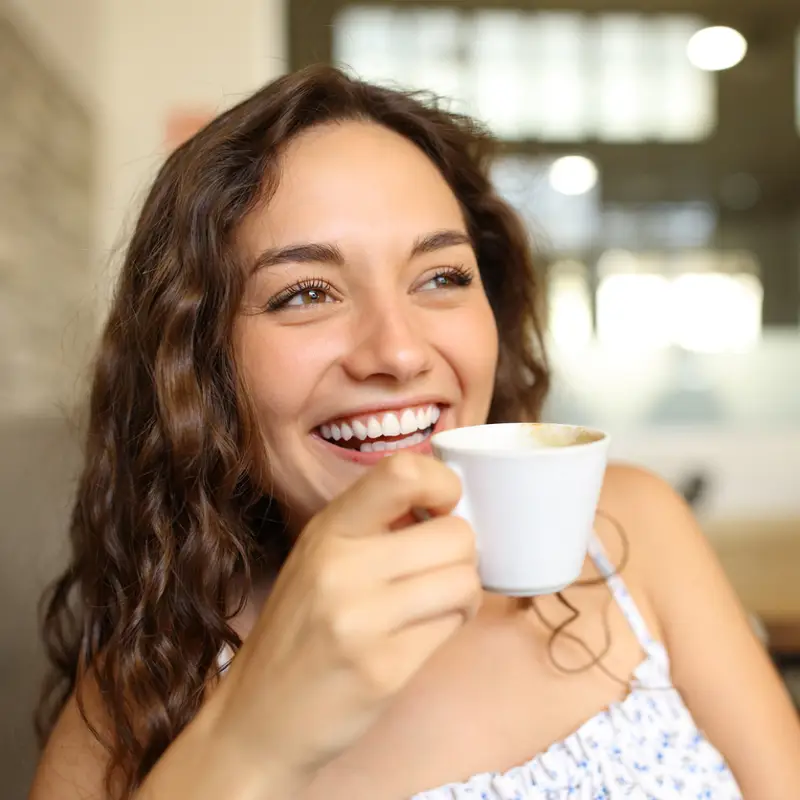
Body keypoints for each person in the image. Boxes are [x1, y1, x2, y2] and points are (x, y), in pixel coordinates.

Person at [31, 66, 800, 800]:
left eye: (441, 277)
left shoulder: (633, 526)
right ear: (197, 363)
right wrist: (252, 736)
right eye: (305, 292)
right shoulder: (140, 690)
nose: (398, 353)